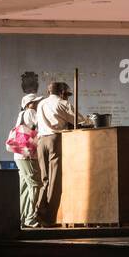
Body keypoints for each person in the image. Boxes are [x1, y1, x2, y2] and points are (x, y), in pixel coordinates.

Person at [34, 81, 88, 224]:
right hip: (55, 140)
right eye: (67, 94)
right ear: (62, 92)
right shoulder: (63, 104)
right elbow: (81, 120)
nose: (67, 97)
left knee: (45, 180)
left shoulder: (41, 104)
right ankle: (49, 218)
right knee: (55, 181)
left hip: (41, 142)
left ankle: (39, 212)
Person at [9, 72, 45, 228]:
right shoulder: (31, 113)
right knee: (35, 184)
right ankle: (31, 218)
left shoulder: (21, 114)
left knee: (24, 186)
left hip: (19, 155)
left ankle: (23, 218)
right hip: (28, 155)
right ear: (29, 104)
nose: (37, 104)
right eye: (35, 102)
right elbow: (42, 129)